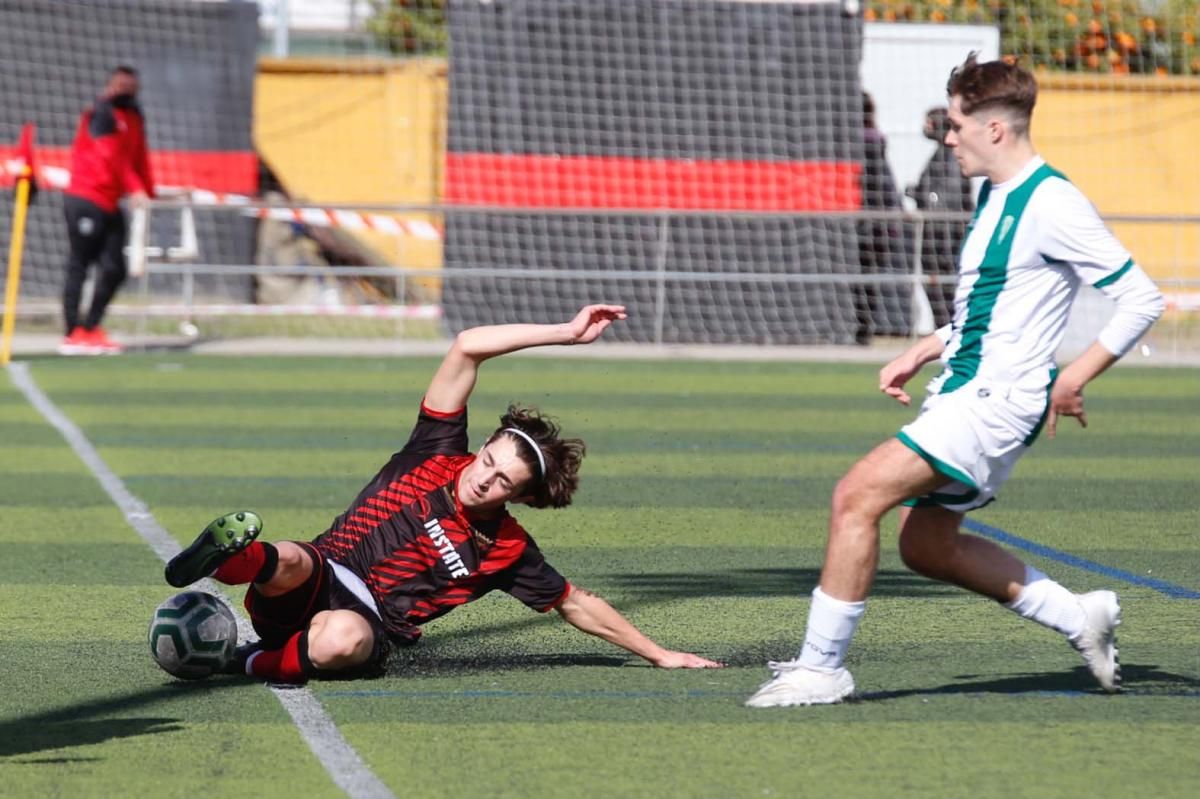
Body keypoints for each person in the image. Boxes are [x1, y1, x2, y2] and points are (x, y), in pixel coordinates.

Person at [746, 53, 1164, 707]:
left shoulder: (1052, 202)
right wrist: (923, 348)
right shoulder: (996, 194)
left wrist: (1074, 376)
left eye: (956, 123)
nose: (947, 137)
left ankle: (821, 667)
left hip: (996, 402)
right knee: (927, 544)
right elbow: (985, 309)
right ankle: (1079, 615)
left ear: (994, 129)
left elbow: (1140, 297)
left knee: (856, 495)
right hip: (969, 391)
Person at [164, 305, 724, 682]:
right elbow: (466, 348)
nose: (485, 477)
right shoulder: (435, 449)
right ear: (482, 445)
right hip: (323, 571)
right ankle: (228, 559)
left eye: (503, 480)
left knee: (341, 640)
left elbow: (577, 604)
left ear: (523, 498)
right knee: (287, 557)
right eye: (489, 460)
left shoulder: (506, 548)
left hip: (370, 624)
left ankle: (247, 661)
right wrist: (563, 333)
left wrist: (660, 654)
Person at [59, 65, 155, 356]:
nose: (127, 92)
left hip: (111, 202)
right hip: (85, 197)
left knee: (115, 268)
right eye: (121, 87)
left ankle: (91, 327)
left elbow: (138, 157)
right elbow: (111, 158)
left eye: (132, 87)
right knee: (81, 264)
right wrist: (135, 188)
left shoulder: (135, 117)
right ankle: (72, 332)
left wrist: (148, 191)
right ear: (111, 86)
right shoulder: (100, 113)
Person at [906, 106, 975, 328]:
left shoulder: (952, 156)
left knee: (945, 288)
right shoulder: (940, 154)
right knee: (935, 288)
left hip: (945, 238)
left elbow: (948, 197)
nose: (925, 128)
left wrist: (921, 195)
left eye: (929, 124)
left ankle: (951, 332)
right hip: (937, 236)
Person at [855, 92, 908, 344]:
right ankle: (864, 327)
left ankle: (863, 328)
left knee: (865, 278)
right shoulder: (873, 142)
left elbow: (882, 185)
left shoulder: (865, 144)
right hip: (875, 224)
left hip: (868, 225)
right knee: (868, 279)